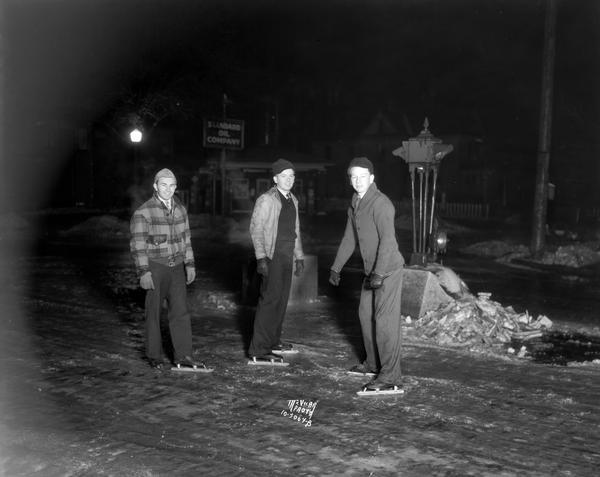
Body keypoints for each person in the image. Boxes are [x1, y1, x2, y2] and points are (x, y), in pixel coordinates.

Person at [329, 157, 405, 394]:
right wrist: (336, 267)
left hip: (388, 270)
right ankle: (373, 364)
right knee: (365, 315)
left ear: (372, 178)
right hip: (371, 271)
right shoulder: (356, 202)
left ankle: (391, 376)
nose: (358, 181)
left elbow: (388, 241)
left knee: (385, 322)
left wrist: (380, 272)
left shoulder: (381, 204)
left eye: (363, 177)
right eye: (353, 176)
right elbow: (349, 238)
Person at [130, 168, 209, 371]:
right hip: (156, 267)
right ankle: (154, 356)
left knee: (180, 312)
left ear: (176, 187)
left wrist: (190, 264)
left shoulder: (181, 209)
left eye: (172, 185)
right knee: (154, 313)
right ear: (156, 186)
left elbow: (186, 239)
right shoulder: (144, 212)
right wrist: (144, 272)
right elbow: (138, 246)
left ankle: (184, 356)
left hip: (177, 267)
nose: (168, 189)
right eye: (163, 185)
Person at [248, 159, 304, 364]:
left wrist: (299, 257)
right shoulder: (267, 199)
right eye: (284, 176)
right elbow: (256, 229)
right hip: (272, 256)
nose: (288, 179)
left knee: (281, 300)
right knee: (269, 301)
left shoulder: (293, 200)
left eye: (291, 175)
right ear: (275, 178)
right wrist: (261, 258)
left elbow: (296, 230)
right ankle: (258, 348)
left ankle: (273, 341)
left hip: (287, 255)